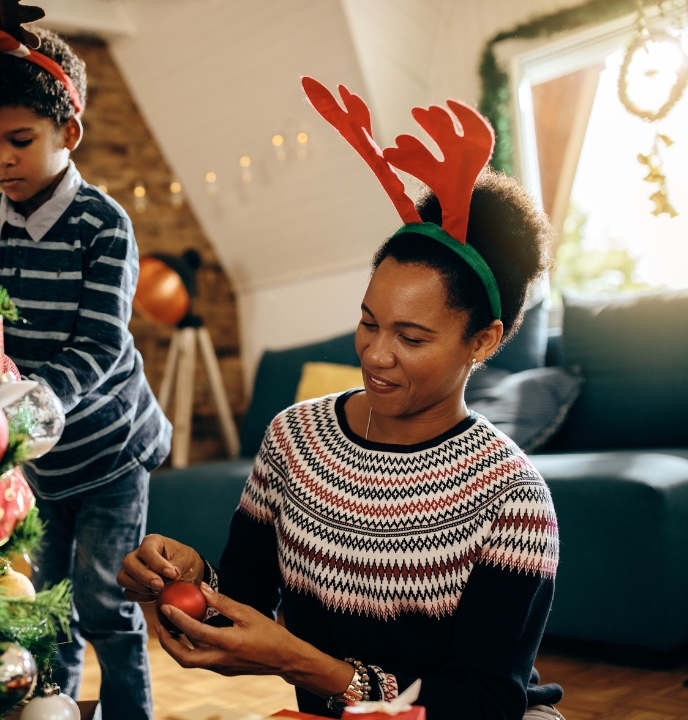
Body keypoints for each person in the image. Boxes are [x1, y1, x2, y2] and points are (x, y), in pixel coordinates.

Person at [118, 82, 564, 720]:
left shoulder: (512, 497)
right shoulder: (295, 440)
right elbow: (241, 598)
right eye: (368, 321)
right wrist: (187, 581)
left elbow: (486, 701)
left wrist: (303, 664)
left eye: (411, 337)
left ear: (482, 340)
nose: (376, 353)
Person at [0, 16, 170, 720]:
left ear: (67, 134)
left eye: (21, 141)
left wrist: (36, 399)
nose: (3, 160)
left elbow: (105, 344)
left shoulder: (103, 225)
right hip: (38, 461)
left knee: (104, 599)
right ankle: (57, 711)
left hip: (110, 452)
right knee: (49, 605)